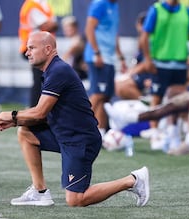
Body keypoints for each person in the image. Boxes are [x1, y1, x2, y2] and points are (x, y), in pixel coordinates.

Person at [0, 31, 149, 207]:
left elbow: (40, 113)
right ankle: (40, 192)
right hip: (65, 136)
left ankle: (133, 180)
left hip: (80, 141)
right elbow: (44, 115)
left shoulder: (58, 71)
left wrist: (11, 115)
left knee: (75, 200)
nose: (27, 52)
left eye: (31, 48)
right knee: (26, 133)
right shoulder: (51, 71)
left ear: (48, 49)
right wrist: (16, 121)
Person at [140, 0, 189, 150]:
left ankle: (174, 134)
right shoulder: (156, 10)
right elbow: (144, 36)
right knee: (156, 97)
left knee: (178, 100)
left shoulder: (186, 11)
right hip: (160, 63)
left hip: (180, 64)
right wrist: (148, 60)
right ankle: (155, 133)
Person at [84, 0, 127, 136]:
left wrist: (120, 57)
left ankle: (100, 133)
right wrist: (97, 53)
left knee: (105, 97)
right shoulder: (100, 4)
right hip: (98, 57)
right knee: (97, 95)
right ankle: (77, 127)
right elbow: (89, 28)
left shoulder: (115, 6)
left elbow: (113, 33)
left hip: (109, 57)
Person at [18, 0, 58, 107]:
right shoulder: (32, 5)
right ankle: (35, 108)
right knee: (39, 79)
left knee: (43, 78)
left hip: (41, 47)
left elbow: (52, 25)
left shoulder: (42, 4)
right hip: (34, 47)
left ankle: (39, 108)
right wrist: (53, 24)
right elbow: (47, 26)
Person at [114, 11, 154, 101]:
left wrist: (130, 73)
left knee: (122, 87)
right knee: (117, 85)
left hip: (148, 77)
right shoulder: (141, 42)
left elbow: (147, 63)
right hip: (140, 76)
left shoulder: (150, 41)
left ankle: (146, 104)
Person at [60, 15, 87, 80]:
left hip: (78, 73)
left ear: (75, 27)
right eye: (64, 28)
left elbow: (77, 47)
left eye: (68, 28)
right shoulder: (64, 41)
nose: (66, 30)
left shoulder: (80, 40)